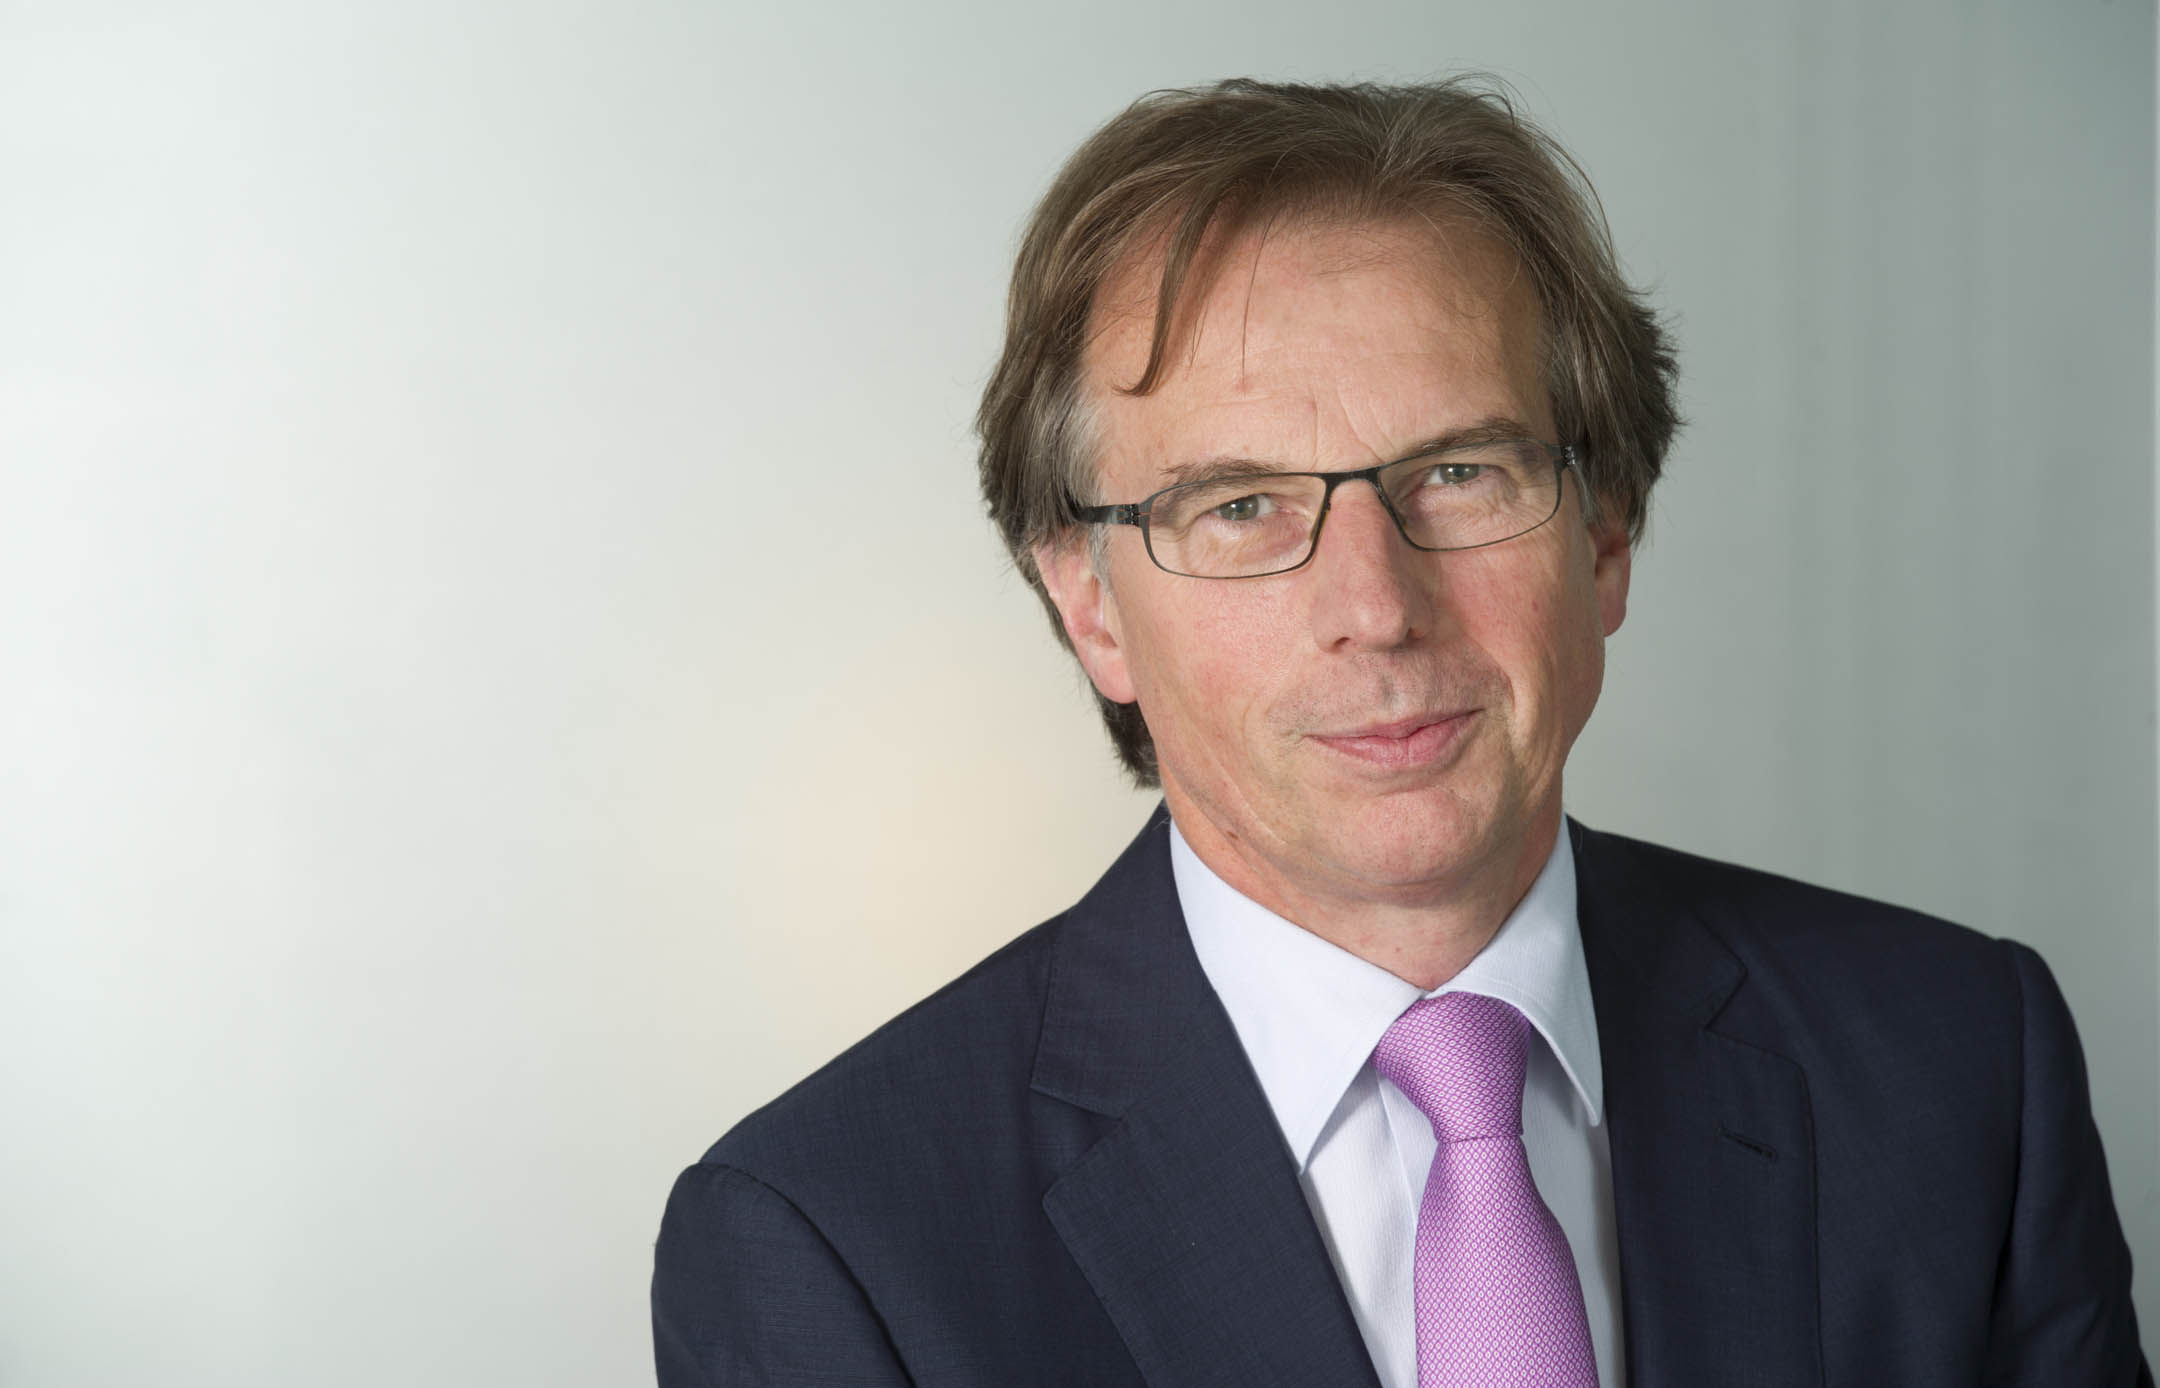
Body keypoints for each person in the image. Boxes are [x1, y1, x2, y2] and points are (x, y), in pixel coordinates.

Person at [652, 78, 2149, 1386]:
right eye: (1241, 506)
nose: (1376, 607)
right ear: (1092, 607)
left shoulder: (1960, 1064)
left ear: (1606, 537)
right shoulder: (832, 1239)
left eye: (1460, 473)